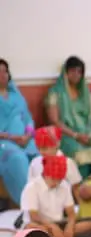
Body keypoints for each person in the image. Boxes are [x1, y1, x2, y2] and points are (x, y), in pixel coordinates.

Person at [46, 56, 91, 178]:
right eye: (73, 71)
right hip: (67, 135)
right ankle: (82, 189)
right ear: (65, 72)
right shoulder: (55, 93)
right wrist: (76, 135)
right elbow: (54, 121)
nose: (76, 74)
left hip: (88, 133)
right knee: (80, 155)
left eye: (79, 71)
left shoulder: (86, 93)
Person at [21, 155, 91, 237]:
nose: (56, 183)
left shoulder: (64, 185)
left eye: (59, 180)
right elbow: (34, 216)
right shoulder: (32, 187)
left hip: (59, 223)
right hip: (41, 224)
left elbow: (71, 213)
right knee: (32, 228)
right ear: (46, 174)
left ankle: (60, 236)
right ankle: (57, 236)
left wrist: (70, 227)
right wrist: (52, 226)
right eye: (53, 179)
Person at [0, 58, 38, 206]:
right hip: (4, 143)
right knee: (18, 158)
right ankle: (28, 205)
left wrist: (27, 135)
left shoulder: (17, 96)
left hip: (25, 140)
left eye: (5, 71)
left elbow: (28, 118)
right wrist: (12, 137)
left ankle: (48, 203)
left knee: (42, 156)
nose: (2, 75)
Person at [28, 126, 83, 199]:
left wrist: (81, 208)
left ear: (57, 144)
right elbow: (31, 188)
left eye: (45, 148)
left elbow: (76, 187)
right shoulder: (34, 163)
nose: (41, 152)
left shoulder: (67, 163)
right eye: (39, 148)